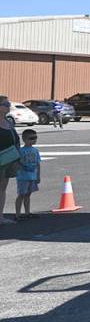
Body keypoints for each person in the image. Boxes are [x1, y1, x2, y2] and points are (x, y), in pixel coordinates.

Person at [0, 96, 23, 225]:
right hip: (2, 158)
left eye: (8, 104)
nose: (8, 106)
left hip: (8, 159)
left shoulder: (8, 121)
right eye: (5, 104)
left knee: (2, 189)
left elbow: (15, 139)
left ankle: (0, 217)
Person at [15, 128, 41, 220]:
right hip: (22, 177)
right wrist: (22, 166)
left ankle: (27, 212)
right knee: (21, 194)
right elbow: (18, 162)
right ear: (24, 139)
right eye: (31, 138)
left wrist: (38, 176)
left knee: (28, 194)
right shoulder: (21, 151)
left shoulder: (35, 150)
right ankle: (17, 214)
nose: (34, 140)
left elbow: (38, 164)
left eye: (35, 138)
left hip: (32, 176)